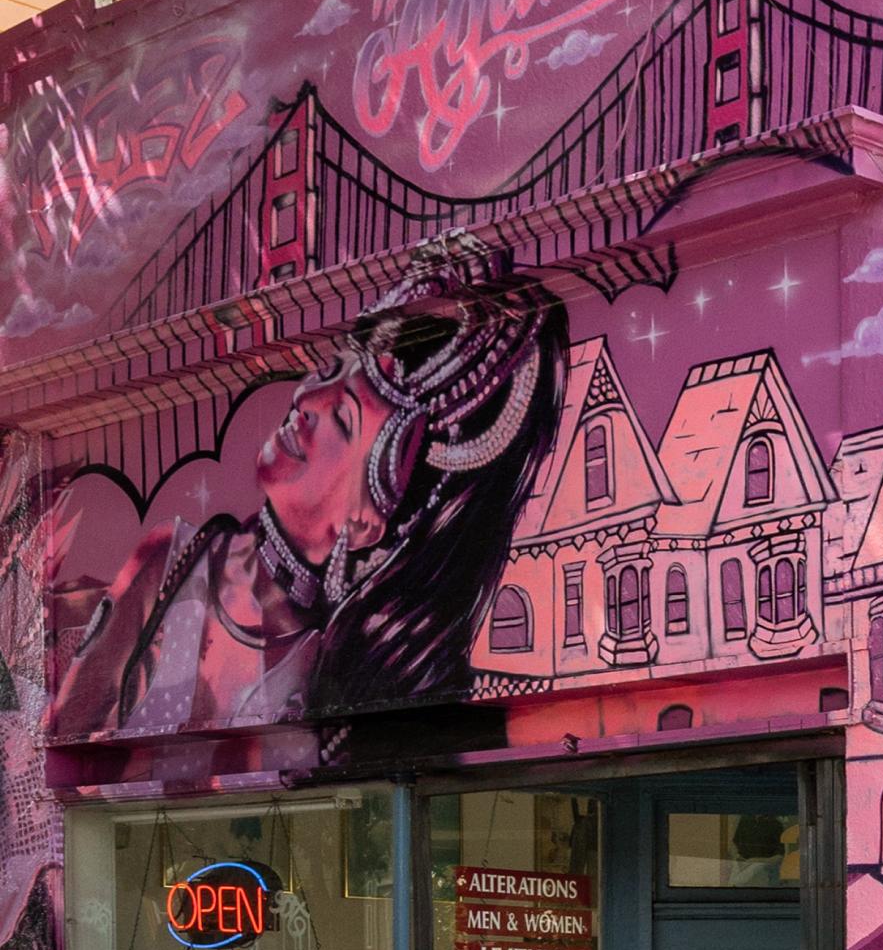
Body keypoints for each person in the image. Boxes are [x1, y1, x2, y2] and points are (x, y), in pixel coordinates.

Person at [56, 241, 568, 738]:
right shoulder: (171, 559)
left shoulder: (337, 664)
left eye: (343, 420)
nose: (307, 395)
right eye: (329, 371)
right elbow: (58, 754)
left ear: (366, 519)